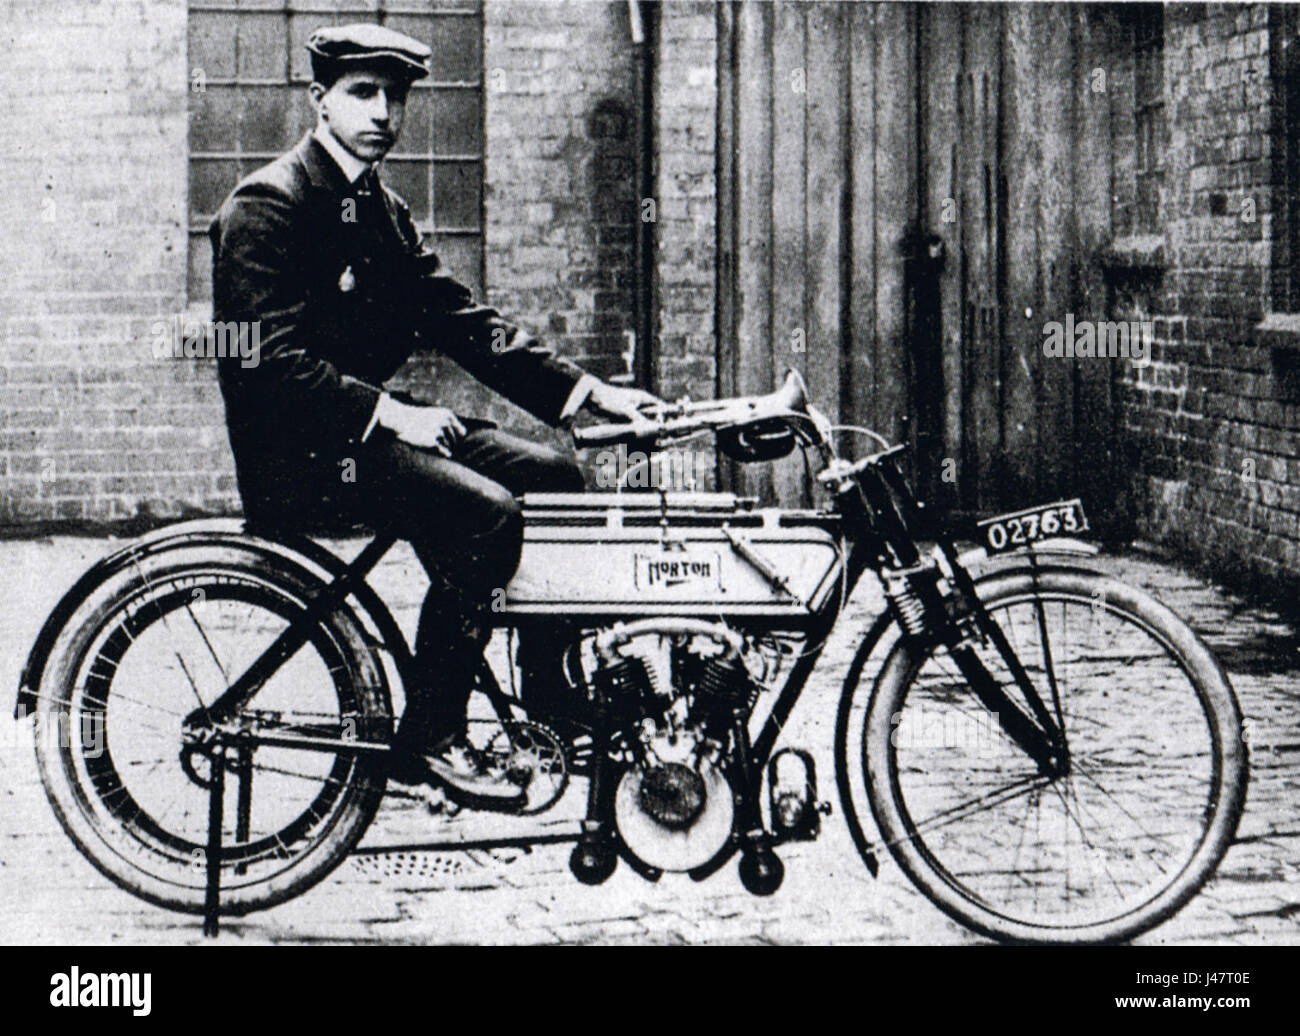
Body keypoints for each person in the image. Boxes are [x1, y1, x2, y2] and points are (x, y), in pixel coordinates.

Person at [209, 23, 658, 808]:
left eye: (396, 96)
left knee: (553, 477)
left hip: (369, 433)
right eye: (362, 93)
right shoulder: (267, 206)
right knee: (484, 514)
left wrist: (587, 394)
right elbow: (261, 366)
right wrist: (388, 414)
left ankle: (549, 698)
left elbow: (460, 321)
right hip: (302, 452)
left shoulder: (378, 206)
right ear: (320, 100)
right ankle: (430, 738)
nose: (382, 111)